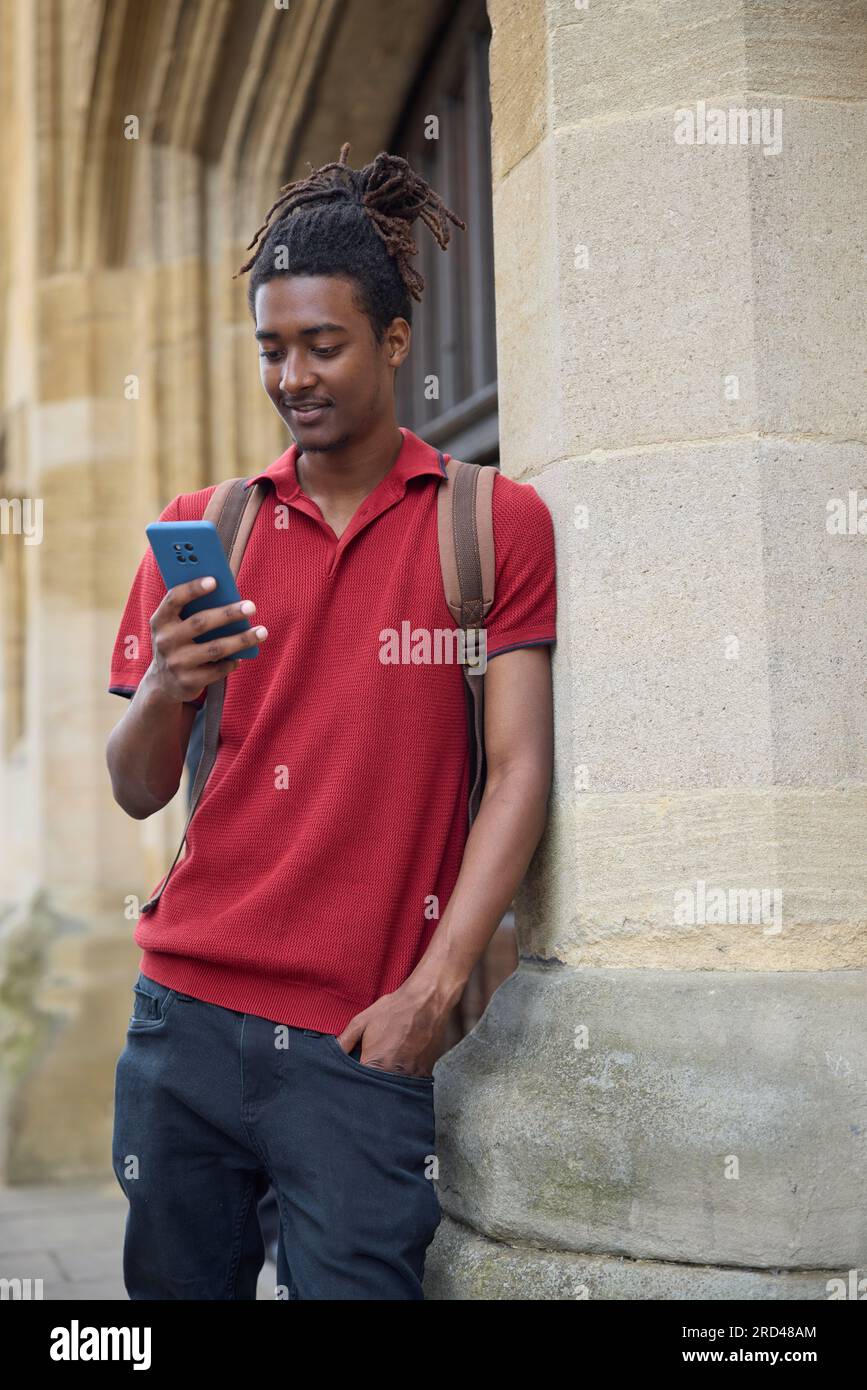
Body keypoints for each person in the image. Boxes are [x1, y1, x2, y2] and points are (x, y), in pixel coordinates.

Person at [106, 143, 556, 1301]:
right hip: (184, 1023)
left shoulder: (491, 525)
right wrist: (166, 685)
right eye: (272, 348)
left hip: (362, 1039)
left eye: (323, 344)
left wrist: (431, 990)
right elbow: (136, 785)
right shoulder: (205, 526)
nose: (293, 375)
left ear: (395, 341)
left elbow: (516, 772)